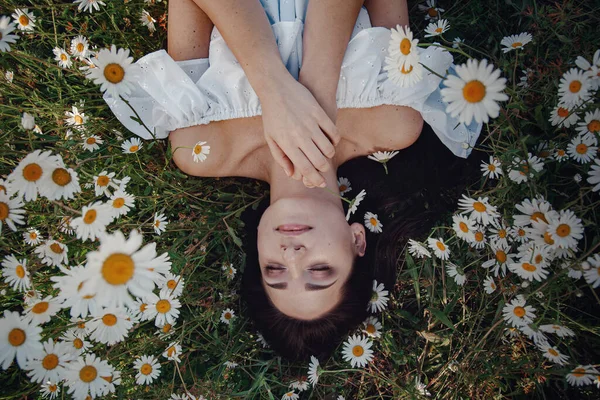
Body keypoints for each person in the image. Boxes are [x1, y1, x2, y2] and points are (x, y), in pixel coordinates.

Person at [103, 0, 483, 360]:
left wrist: (275, 89)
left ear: (257, 249)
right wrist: (318, 94)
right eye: (320, 271)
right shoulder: (392, 120)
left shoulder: (201, 147)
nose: (292, 255)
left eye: (275, 271)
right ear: (357, 240)